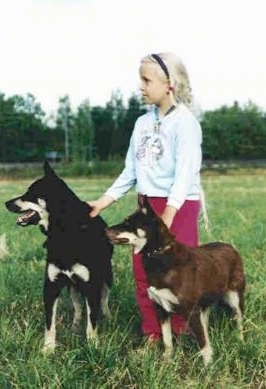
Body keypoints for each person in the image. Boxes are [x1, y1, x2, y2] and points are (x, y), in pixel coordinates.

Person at [88, 52, 203, 342]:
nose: (140, 86)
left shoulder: (185, 123)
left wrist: (169, 214)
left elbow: (185, 175)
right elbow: (130, 171)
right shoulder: (141, 123)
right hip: (147, 206)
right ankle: (153, 331)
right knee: (144, 271)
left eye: (146, 79)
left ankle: (182, 328)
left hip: (178, 206)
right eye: (140, 79)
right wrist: (104, 200)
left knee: (179, 271)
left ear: (169, 84)